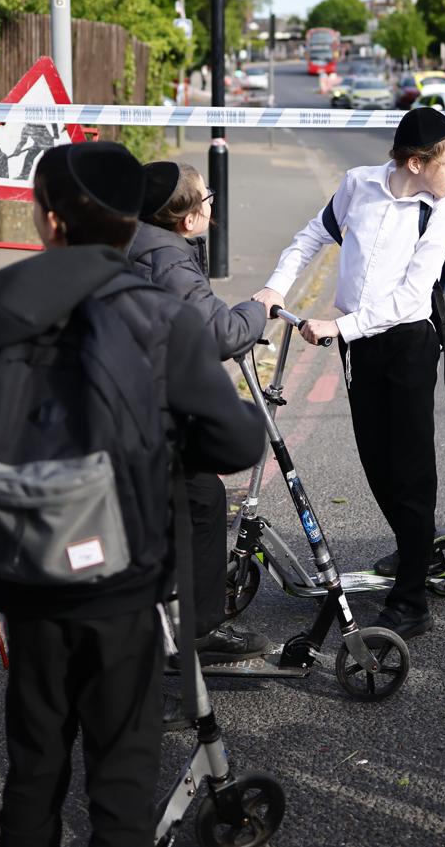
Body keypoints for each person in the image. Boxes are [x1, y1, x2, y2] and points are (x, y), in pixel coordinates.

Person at [0, 142, 262, 847]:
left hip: (25, 578)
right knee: (120, 777)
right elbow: (237, 442)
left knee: (34, 767)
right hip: (121, 580)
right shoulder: (159, 316)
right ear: (132, 223)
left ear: (48, 221)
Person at [250, 106, 445, 640]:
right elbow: (311, 238)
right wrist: (277, 287)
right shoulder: (358, 185)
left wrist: (339, 328)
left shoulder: (440, 209)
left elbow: (413, 298)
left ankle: (412, 600)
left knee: (411, 469)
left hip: (409, 343)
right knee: (375, 461)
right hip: (359, 346)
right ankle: (414, 543)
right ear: (416, 162)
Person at [128, 161, 273, 662]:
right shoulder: (168, 259)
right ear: (188, 218)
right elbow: (221, 335)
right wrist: (261, 306)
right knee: (202, 499)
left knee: (196, 498)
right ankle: (197, 632)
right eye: (206, 198)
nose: (212, 203)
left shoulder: (141, 242)